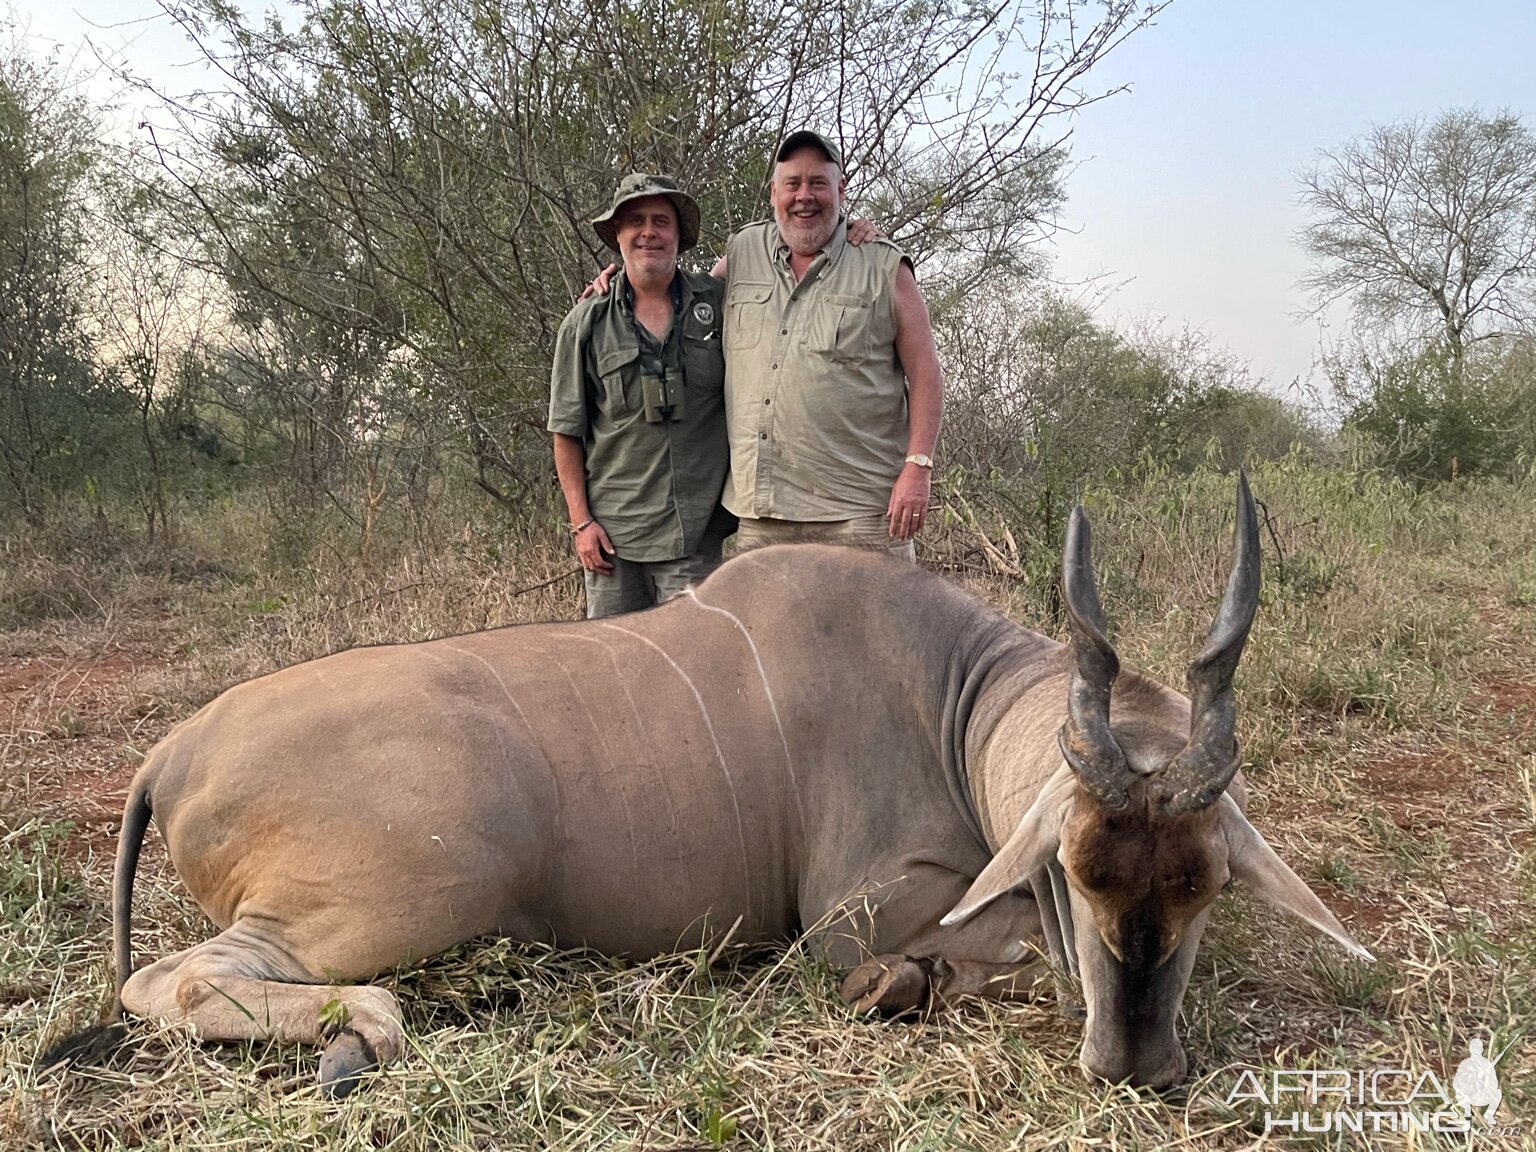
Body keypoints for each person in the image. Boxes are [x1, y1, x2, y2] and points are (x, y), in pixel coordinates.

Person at [715, 129, 944, 560]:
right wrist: (613, 290)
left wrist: (918, 467)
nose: (805, 196)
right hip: (762, 516)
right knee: (767, 632)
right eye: (793, 184)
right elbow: (678, 302)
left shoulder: (882, 265)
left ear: (840, 190)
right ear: (773, 193)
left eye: (818, 183)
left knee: (880, 630)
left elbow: (926, 373)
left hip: (860, 516)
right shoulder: (744, 252)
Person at [548, 173, 734, 617]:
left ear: (678, 234)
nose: (648, 232)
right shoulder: (586, 322)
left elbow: (785, 248)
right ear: (618, 234)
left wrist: (854, 231)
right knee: (615, 671)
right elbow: (566, 432)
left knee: (696, 670)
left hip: (695, 535)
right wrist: (582, 524)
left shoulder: (723, 303)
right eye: (635, 221)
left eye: (661, 221)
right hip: (614, 541)